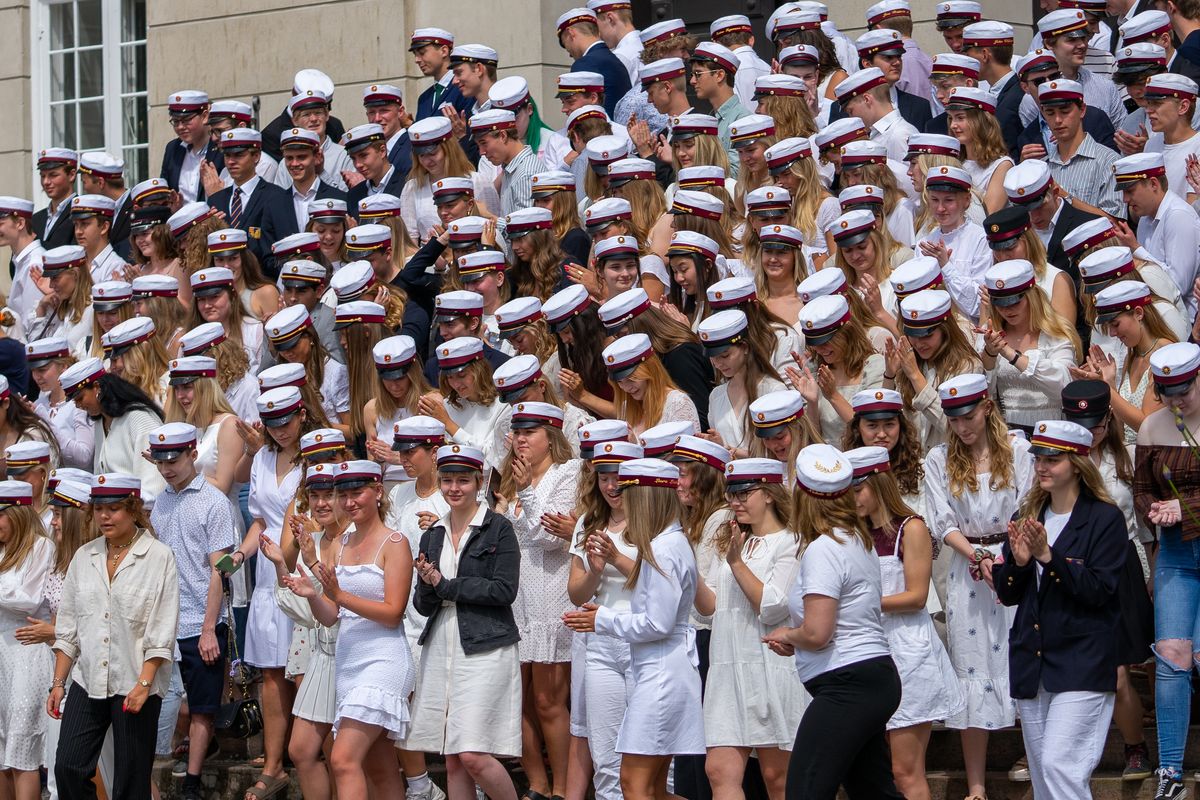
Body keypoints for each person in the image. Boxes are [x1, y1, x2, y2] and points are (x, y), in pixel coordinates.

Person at [993, 420, 1127, 799]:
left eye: (1054, 458)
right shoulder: (1028, 515)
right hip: (1032, 662)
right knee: (1044, 781)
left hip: (1082, 661)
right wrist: (1018, 564)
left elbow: (1099, 590)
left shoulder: (1104, 519)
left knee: (1060, 767)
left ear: (1078, 462)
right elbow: (1007, 593)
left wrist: (1049, 558)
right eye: (1038, 457)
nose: (1042, 466)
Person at [761, 443, 903, 799]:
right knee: (874, 793)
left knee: (805, 792)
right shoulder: (856, 540)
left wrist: (790, 635)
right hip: (867, 677)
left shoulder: (823, 548)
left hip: (848, 683)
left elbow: (818, 632)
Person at [563, 457, 704, 800]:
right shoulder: (667, 542)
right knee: (652, 787)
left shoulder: (664, 547)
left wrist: (603, 619)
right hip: (660, 669)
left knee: (634, 784)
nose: (625, 502)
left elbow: (658, 623)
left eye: (633, 496)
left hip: (661, 673)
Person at [923, 374, 1033, 800]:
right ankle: (976, 786)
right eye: (954, 419)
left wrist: (1007, 558)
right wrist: (978, 557)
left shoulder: (1019, 450)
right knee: (970, 666)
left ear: (987, 408)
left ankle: (1033, 758)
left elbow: (1027, 504)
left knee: (1019, 656)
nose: (962, 427)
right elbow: (942, 521)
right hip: (968, 567)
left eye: (968, 416)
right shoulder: (939, 458)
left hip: (1015, 558)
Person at [285, 460, 413, 798]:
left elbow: (392, 613)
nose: (349, 501)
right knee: (379, 766)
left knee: (342, 758)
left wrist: (340, 594)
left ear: (378, 492)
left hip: (384, 660)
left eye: (357, 492)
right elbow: (331, 616)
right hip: (348, 661)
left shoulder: (395, 543)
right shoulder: (340, 546)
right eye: (344, 494)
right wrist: (313, 594)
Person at [50, 474, 179, 800]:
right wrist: (58, 682)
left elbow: (162, 629)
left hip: (135, 680)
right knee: (68, 766)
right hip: (87, 679)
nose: (105, 516)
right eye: (99, 509)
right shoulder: (84, 556)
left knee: (131, 783)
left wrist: (145, 684)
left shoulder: (159, 556)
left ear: (134, 509)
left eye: (115, 508)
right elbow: (69, 627)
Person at [847, 444, 964, 799]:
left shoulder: (910, 528)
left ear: (880, 483)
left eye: (858, 489)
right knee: (872, 770)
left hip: (907, 651)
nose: (852, 499)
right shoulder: (852, 532)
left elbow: (915, 596)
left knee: (905, 769)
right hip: (866, 650)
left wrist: (859, 605)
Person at [406, 444, 522, 800]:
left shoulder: (499, 528)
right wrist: (428, 584)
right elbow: (423, 605)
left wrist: (445, 585)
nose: (454, 488)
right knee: (453, 757)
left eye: (463, 480)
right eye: (447, 480)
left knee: (472, 753)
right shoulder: (433, 533)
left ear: (479, 481)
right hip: (442, 644)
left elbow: (504, 590)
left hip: (485, 646)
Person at [694, 457, 805, 800]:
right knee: (718, 770)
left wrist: (737, 563)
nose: (735, 500)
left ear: (770, 493)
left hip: (768, 667)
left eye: (745, 492)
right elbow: (710, 607)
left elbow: (772, 606)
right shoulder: (731, 538)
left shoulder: (791, 541)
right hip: (726, 667)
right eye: (731, 493)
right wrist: (688, 573)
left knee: (777, 777)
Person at [494, 402, 580, 800]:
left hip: (552, 593)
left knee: (548, 700)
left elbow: (549, 537)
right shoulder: (512, 479)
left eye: (530, 433)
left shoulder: (569, 472)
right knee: (521, 700)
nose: (521, 440)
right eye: (517, 433)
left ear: (552, 436)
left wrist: (527, 491)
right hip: (517, 598)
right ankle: (537, 785)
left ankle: (563, 787)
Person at [228, 387, 309, 800]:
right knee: (273, 674)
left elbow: (298, 521)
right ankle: (275, 764)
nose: (280, 430)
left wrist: (284, 566)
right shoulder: (261, 456)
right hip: (266, 571)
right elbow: (259, 520)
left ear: (302, 414)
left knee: (301, 670)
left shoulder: (314, 455)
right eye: (272, 423)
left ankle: (307, 753)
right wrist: (240, 556)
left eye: (287, 421)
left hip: (300, 568)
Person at [146, 423, 235, 800]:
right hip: (167, 621)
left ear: (192, 455)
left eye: (175, 459)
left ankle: (193, 784)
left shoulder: (214, 501)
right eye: (161, 461)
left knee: (201, 707)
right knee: (166, 703)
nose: (167, 468)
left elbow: (223, 566)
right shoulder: (162, 501)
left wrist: (210, 626)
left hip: (202, 618)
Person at [565, 438, 641, 800]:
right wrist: (595, 571)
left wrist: (615, 558)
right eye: (604, 477)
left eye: (619, 477)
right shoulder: (587, 522)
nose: (611, 486)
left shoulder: (653, 519)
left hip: (644, 638)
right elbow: (577, 593)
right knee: (606, 758)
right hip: (600, 641)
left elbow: (666, 583)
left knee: (652, 755)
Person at [979, 260, 1080, 435]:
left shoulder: (1055, 334)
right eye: (1000, 304)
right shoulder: (990, 336)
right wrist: (990, 354)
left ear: (1031, 296)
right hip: (1006, 433)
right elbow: (982, 394)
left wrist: (1012, 355)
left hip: (1053, 431)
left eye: (1014, 302)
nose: (1007, 310)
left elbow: (1064, 387)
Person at [0, 479, 55, 800]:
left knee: (22, 754)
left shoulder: (39, 546)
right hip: (2, 658)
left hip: (26, 658)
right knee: (2, 754)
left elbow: (29, 599)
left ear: (17, 513)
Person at [62, 362, 167, 508]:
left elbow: (154, 485)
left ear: (97, 387)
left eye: (80, 398)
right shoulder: (100, 422)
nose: (78, 406)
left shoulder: (140, 418)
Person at [205, 128, 298, 279]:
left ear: (256, 156)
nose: (231, 161)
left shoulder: (276, 196)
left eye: (239, 155)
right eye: (227, 155)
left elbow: (285, 251)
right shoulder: (217, 199)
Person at [699, 309, 785, 455]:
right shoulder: (716, 395)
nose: (718, 364)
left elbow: (781, 449)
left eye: (725, 356)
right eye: (713, 358)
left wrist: (733, 452)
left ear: (745, 347)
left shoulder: (774, 390)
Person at [601, 333, 699, 435]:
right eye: (619, 382)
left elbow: (688, 450)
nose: (626, 388)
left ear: (651, 370)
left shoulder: (678, 404)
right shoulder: (626, 407)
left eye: (631, 379)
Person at [557, 8, 633, 116]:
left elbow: (580, 113)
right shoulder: (614, 59)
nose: (569, 53)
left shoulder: (585, 64)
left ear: (570, 33)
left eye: (565, 45)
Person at [33, 148, 79, 250]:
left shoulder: (82, 213)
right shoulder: (35, 219)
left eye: (53, 175)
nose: (46, 182)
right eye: (42, 176)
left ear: (72, 175)